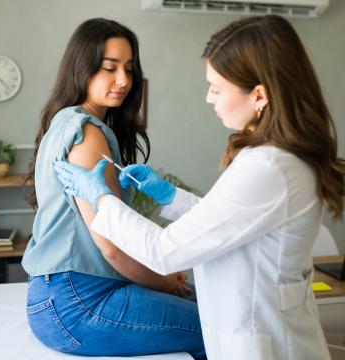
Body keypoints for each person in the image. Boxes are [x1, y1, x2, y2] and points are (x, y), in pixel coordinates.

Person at [55, 15, 345, 360]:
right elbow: (232, 224)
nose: (210, 99)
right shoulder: (274, 157)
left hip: (264, 342)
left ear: (259, 96)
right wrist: (170, 197)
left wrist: (102, 199)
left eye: (217, 88)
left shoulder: (269, 167)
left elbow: (164, 251)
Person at [22, 18, 206, 359]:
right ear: (82, 69)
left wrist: (164, 277)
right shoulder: (88, 134)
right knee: (214, 328)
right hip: (79, 302)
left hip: (57, 298)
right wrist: (165, 282)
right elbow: (112, 249)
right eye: (110, 68)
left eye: (129, 69)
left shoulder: (62, 122)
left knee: (206, 302)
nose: (123, 80)